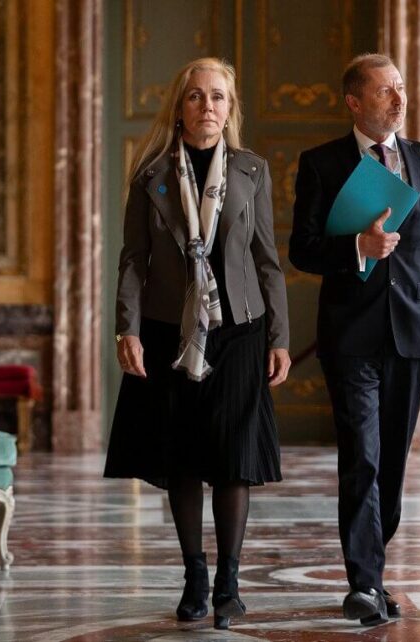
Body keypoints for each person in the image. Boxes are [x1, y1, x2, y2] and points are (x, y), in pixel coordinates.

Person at [103, 57, 290, 631]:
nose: (207, 106)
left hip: (238, 329)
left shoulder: (252, 172)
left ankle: (229, 582)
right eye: (195, 96)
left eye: (217, 98)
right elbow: (133, 259)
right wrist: (127, 326)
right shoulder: (150, 173)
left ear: (229, 109)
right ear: (179, 106)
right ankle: (194, 575)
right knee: (182, 458)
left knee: (233, 460)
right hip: (166, 331)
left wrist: (279, 336)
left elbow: (266, 261)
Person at [289, 53, 420, 626]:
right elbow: (302, 248)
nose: (398, 98)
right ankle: (364, 584)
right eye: (385, 90)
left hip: (416, 332)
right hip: (351, 337)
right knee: (361, 457)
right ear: (354, 102)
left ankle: (375, 567)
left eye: (401, 88)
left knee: (390, 463)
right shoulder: (321, 164)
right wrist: (356, 250)